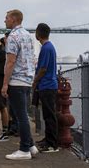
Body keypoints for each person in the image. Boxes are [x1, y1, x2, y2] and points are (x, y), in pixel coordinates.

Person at [2, 9, 38, 160]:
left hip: (16, 80)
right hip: (27, 80)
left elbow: (10, 62)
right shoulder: (28, 36)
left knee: (20, 116)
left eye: (7, 18)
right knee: (23, 113)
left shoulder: (13, 36)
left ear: (14, 19)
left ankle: (24, 150)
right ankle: (30, 145)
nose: (5, 21)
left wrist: (4, 84)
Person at [33, 23, 59, 153]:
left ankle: (52, 144)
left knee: (49, 115)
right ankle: (48, 139)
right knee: (48, 114)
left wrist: (34, 81)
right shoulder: (49, 47)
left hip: (47, 85)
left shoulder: (46, 48)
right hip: (49, 85)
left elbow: (42, 69)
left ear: (38, 34)